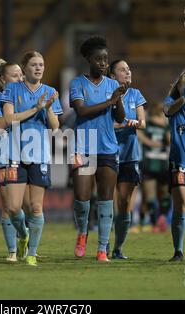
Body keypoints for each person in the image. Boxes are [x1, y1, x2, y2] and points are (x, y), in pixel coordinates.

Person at [0, 51, 62, 266]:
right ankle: (23, 234)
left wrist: (49, 107)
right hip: (15, 153)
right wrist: (36, 108)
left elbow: (55, 127)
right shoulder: (12, 89)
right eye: (34, 64)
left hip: (39, 155)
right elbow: (8, 118)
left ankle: (32, 253)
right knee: (14, 208)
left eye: (41, 64)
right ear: (24, 68)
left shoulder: (50, 92)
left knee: (36, 208)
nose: (38, 68)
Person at [69, 37, 125, 262]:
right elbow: (81, 111)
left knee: (106, 199)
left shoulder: (112, 85)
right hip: (83, 146)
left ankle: (102, 248)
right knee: (82, 198)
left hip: (107, 146)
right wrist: (110, 102)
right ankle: (82, 233)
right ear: (88, 59)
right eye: (98, 59)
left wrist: (118, 99)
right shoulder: (77, 83)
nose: (103, 63)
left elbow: (120, 118)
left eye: (106, 59)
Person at [108, 59, 145, 259]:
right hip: (109, 154)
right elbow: (103, 123)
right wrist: (122, 125)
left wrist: (136, 123)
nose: (128, 72)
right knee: (106, 201)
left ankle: (118, 248)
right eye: (123, 70)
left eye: (129, 69)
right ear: (113, 76)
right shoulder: (107, 95)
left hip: (130, 156)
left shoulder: (136, 94)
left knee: (124, 202)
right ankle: (103, 245)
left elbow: (143, 123)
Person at [0, 58, 23, 262]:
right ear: (3, 79)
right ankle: (12, 250)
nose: (20, 78)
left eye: (21, 74)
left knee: (29, 205)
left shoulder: (29, 95)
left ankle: (28, 243)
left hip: (29, 155)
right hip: (3, 154)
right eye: (15, 75)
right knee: (8, 205)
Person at [163, 69, 185, 261]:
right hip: (179, 159)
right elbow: (168, 110)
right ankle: (179, 250)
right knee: (181, 203)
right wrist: (184, 97)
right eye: (183, 86)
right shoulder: (172, 102)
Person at [138, 102, 170, 233]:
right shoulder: (162, 126)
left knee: (152, 197)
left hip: (153, 164)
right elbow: (170, 141)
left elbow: (138, 133)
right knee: (162, 195)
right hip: (158, 163)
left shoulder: (149, 124)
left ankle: (155, 221)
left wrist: (148, 141)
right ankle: (159, 219)